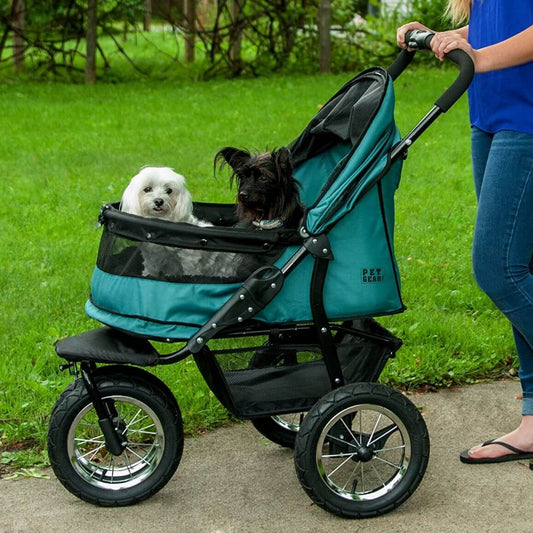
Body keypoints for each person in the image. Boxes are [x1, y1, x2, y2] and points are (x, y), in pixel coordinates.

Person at [397, 0, 533, 465]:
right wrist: (443, 37)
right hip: (491, 116)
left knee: (501, 271)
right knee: (524, 268)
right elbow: (506, 20)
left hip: (528, 119)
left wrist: (480, 57)